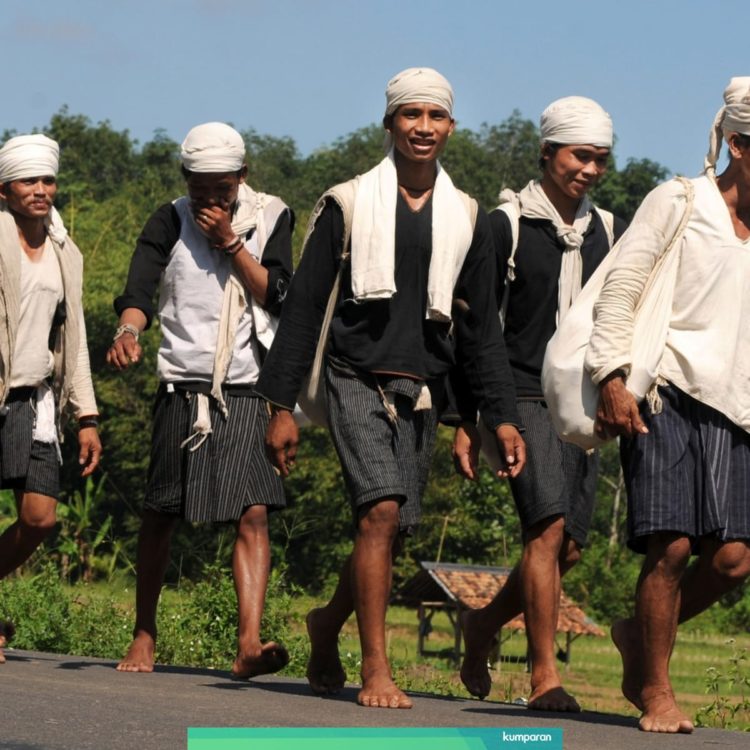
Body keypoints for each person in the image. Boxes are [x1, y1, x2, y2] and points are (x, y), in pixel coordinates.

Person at [255, 67, 525, 709]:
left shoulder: (469, 218)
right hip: (354, 377)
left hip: (423, 390)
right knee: (378, 513)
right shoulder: (347, 204)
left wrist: (491, 416)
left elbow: (479, 328)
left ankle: (327, 623)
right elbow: (304, 308)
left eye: (435, 117)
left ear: (451, 128)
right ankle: (375, 668)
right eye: (410, 115)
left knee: (394, 527)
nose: (422, 127)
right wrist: (281, 406)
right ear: (389, 124)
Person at [587, 78, 750, 734]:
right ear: (739, 144)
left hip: (736, 404)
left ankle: (638, 635)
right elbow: (621, 283)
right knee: (673, 545)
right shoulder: (680, 201)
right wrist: (611, 377)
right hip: (665, 388)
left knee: (736, 558)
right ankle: (656, 690)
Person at [456, 97, 625, 711]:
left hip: (579, 400)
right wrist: (486, 417)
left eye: (600, 159)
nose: (589, 169)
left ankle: (482, 624)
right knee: (546, 527)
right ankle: (544, 678)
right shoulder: (503, 225)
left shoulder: (606, 228)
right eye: (580, 155)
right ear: (549, 152)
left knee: (571, 546)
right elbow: (478, 330)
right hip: (521, 391)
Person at [107, 123, 293, 678]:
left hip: (246, 383)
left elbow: (282, 295)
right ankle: (145, 632)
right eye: (201, 187)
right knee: (162, 511)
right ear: (186, 180)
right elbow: (140, 287)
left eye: (223, 187)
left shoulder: (272, 215)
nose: (212, 199)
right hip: (181, 383)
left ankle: (249, 643)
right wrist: (129, 330)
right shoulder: (169, 218)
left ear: (243, 176)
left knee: (253, 510)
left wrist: (232, 243)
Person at [0, 134, 101, 663]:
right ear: (4, 189)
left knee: (40, 518)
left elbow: (74, 336)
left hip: (34, 399)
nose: (40, 190)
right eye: (28, 181)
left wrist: (85, 414)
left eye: (47, 181)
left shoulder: (67, 254)